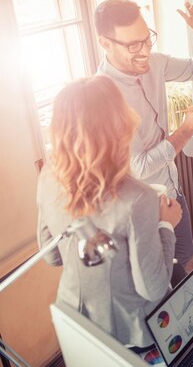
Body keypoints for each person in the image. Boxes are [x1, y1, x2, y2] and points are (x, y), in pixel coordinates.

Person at [37, 76, 182, 348]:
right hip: (129, 333)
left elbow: (52, 255)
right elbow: (152, 289)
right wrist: (166, 226)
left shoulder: (47, 176)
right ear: (119, 125)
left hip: (75, 321)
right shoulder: (138, 198)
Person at [95, 0, 193, 279]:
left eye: (147, 39)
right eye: (133, 45)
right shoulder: (104, 97)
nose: (145, 51)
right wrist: (187, 129)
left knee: (183, 262)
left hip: (171, 192)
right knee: (159, 285)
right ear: (105, 43)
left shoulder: (154, 62)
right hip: (139, 211)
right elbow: (138, 167)